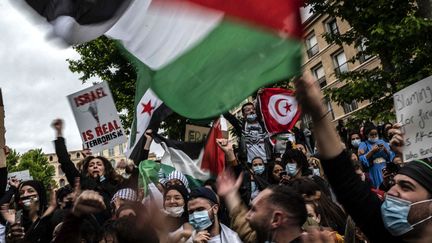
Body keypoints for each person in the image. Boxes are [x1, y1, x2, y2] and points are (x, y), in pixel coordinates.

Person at [294, 74, 432, 242]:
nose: (391, 192)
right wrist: (318, 112)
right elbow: (344, 180)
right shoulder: (385, 234)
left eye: (406, 187)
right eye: (394, 183)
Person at [217, 170, 307, 243]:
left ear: (276, 219)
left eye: (254, 210)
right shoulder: (265, 238)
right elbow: (245, 230)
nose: (247, 216)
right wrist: (230, 195)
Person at [358, 123, 394, 188]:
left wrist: (385, 149)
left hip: (385, 167)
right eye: (371, 135)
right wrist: (372, 151)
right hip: (374, 170)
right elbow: (361, 159)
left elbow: (391, 155)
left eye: (376, 134)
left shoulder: (382, 142)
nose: (374, 136)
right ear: (366, 135)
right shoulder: (363, 144)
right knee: (379, 188)